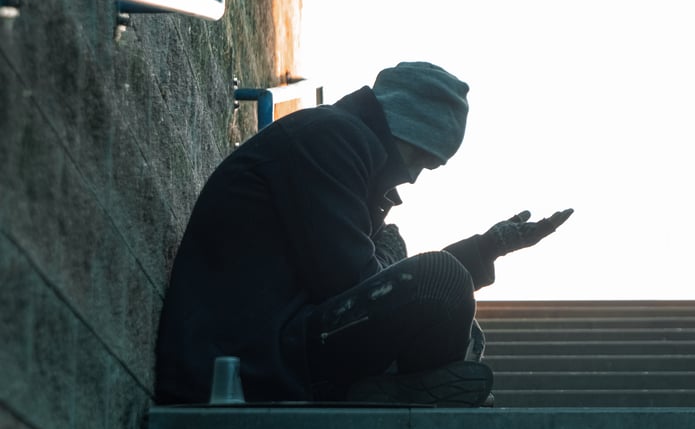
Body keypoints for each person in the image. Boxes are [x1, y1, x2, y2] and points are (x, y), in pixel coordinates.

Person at [155, 61, 573, 407]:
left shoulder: (343, 149)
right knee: (442, 280)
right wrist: (398, 256)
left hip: (276, 345)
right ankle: (394, 389)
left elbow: (361, 287)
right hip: (242, 359)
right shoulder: (330, 139)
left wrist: (488, 247)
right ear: (405, 126)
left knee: (450, 293)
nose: (412, 177)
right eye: (422, 160)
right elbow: (351, 283)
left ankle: (393, 390)